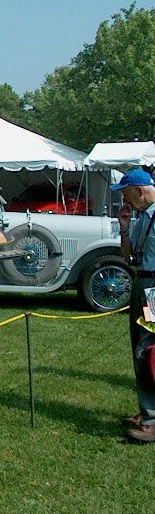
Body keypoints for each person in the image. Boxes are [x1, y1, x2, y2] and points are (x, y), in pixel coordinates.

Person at [114, 168, 155, 443]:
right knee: (140, 350)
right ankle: (148, 410)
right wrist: (125, 227)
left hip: (154, 289)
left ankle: (153, 419)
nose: (125, 201)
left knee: (150, 351)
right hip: (142, 286)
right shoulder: (142, 218)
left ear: (139, 190)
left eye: (127, 194)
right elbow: (128, 256)